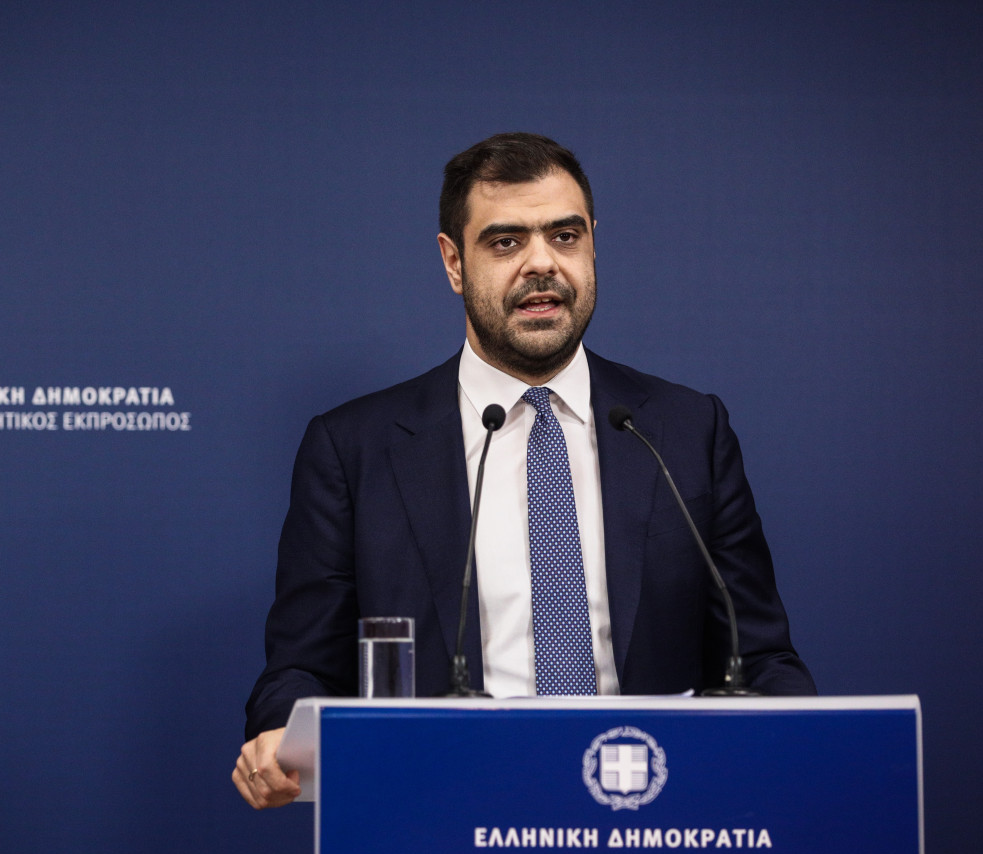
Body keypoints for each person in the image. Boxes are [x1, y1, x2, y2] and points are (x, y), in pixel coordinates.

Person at [232, 132, 815, 810]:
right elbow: (302, 665)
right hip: (445, 814)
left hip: (647, 812)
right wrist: (281, 730)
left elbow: (760, 656)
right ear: (454, 263)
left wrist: (814, 746)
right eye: (506, 242)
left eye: (565, 236)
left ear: (593, 244)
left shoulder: (686, 431)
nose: (542, 263)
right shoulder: (354, 447)